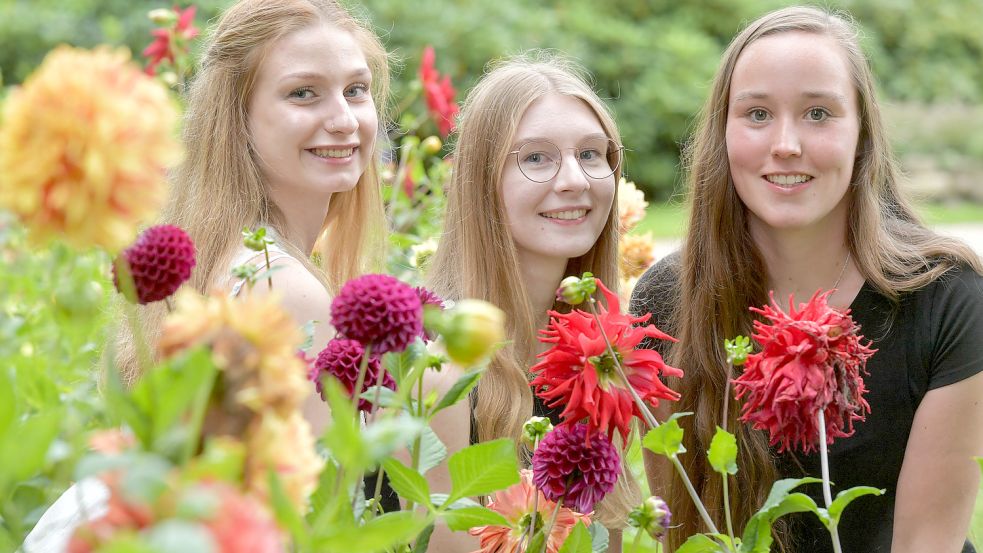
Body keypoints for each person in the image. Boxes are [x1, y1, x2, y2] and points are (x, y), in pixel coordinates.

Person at [24, 1, 389, 549]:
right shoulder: (284, 289)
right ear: (236, 116)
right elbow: (300, 525)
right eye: (303, 93)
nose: (343, 118)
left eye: (356, 90)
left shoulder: (223, 252)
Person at [630, 6, 983, 552]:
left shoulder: (946, 297)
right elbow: (687, 530)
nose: (787, 144)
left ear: (862, 132)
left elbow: (925, 543)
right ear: (723, 132)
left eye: (819, 113)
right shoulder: (665, 301)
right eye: (757, 114)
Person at [423, 53, 640, 551]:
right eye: (536, 158)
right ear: (483, 184)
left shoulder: (601, 357)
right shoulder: (443, 366)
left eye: (591, 154)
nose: (575, 180)